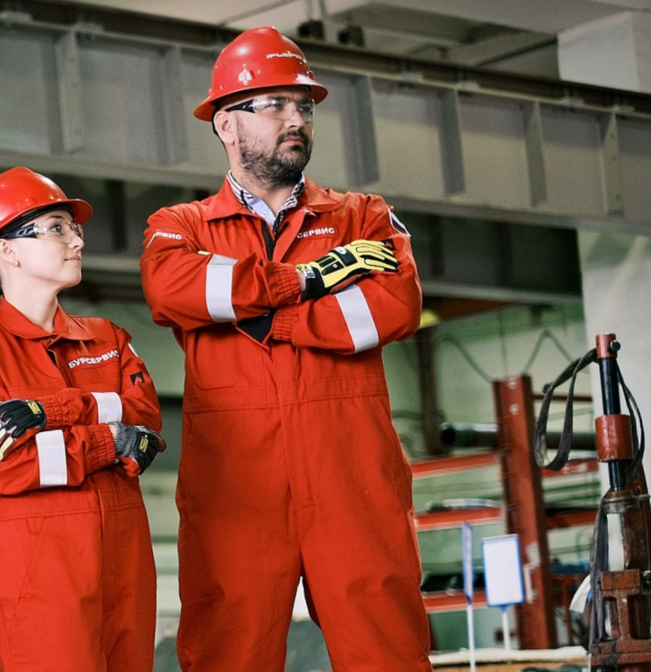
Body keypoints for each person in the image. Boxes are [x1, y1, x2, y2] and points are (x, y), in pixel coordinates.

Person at [138, 26, 430, 672]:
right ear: (226, 125)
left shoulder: (363, 217)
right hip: (235, 491)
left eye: (303, 106)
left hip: (352, 479)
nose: (296, 119)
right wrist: (309, 280)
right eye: (274, 105)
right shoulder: (181, 228)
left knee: (388, 654)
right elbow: (170, 289)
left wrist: (269, 317)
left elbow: (393, 306)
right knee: (228, 657)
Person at [0, 167, 165, 671]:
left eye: (75, 229)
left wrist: (51, 412)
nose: (78, 241)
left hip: (127, 565)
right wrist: (110, 441)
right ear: (9, 251)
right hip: (40, 578)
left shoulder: (108, 338)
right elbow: (6, 464)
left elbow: (147, 421)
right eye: (58, 229)